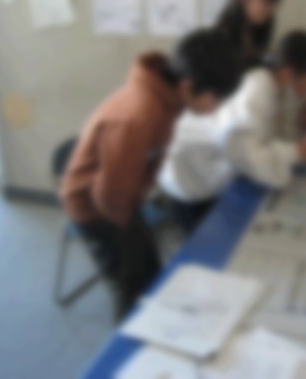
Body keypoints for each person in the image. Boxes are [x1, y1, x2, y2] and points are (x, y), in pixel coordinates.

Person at [59, 29, 241, 320]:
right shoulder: (141, 114)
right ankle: (130, 334)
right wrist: (130, 238)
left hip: (121, 198)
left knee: (150, 276)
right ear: (188, 87)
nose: (216, 108)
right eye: (215, 99)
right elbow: (109, 195)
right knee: (133, 287)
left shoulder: (167, 98)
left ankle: (142, 312)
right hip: (96, 207)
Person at [158, 31, 306, 233]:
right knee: (209, 241)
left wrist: (304, 131)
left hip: (208, 171)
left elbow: (271, 138)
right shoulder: (257, 89)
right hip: (192, 180)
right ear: (288, 73)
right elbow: (249, 157)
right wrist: (301, 150)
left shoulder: (277, 87)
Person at [217, 0, 284, 65]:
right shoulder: (220, 43)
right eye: (266, 0)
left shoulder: (255, 40)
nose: (273, 9)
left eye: (274, 2)